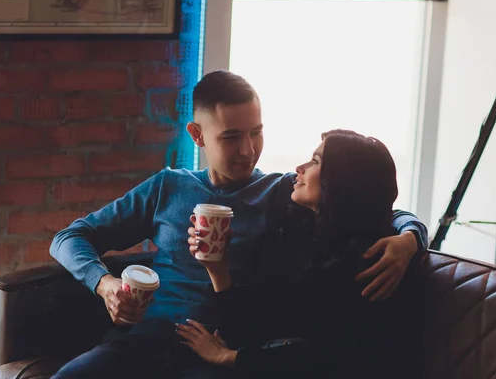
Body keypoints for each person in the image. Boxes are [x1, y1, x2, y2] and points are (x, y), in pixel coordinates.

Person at [49, 71, 428, 378]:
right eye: (231, 137)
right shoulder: (169, 186)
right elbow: (71, 236)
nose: (247, 150)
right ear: (197, 135)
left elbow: (367, 205)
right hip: (145, 337)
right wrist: (105, 284)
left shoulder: (283, 191)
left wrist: (411, 237)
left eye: (256, 132)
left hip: (225, 347)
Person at [177, 130, 424, 378]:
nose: (300, 167)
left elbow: (334, 352)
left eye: (315, 161)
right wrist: (217, 268)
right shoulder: (306, 230)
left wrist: (230, 358)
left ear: (341, 181)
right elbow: (253, 327)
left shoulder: (373, 258)